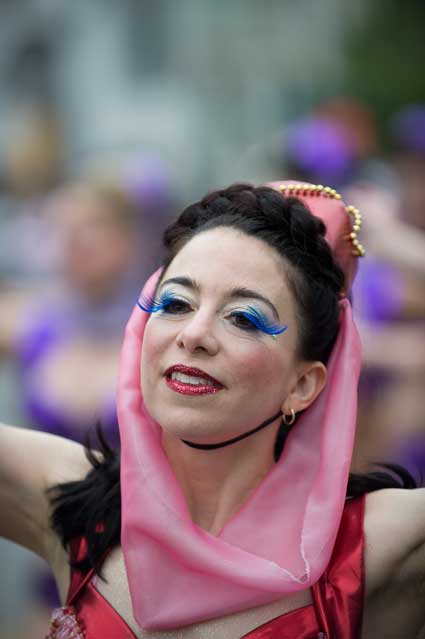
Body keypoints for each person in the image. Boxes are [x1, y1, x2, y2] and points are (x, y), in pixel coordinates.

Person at [0, 181, 424, 639]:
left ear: (303, 384)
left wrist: (392, 243)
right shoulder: (69, 500)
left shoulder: (372, 544)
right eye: (176, 303)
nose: (194, 333)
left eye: (243, 317)